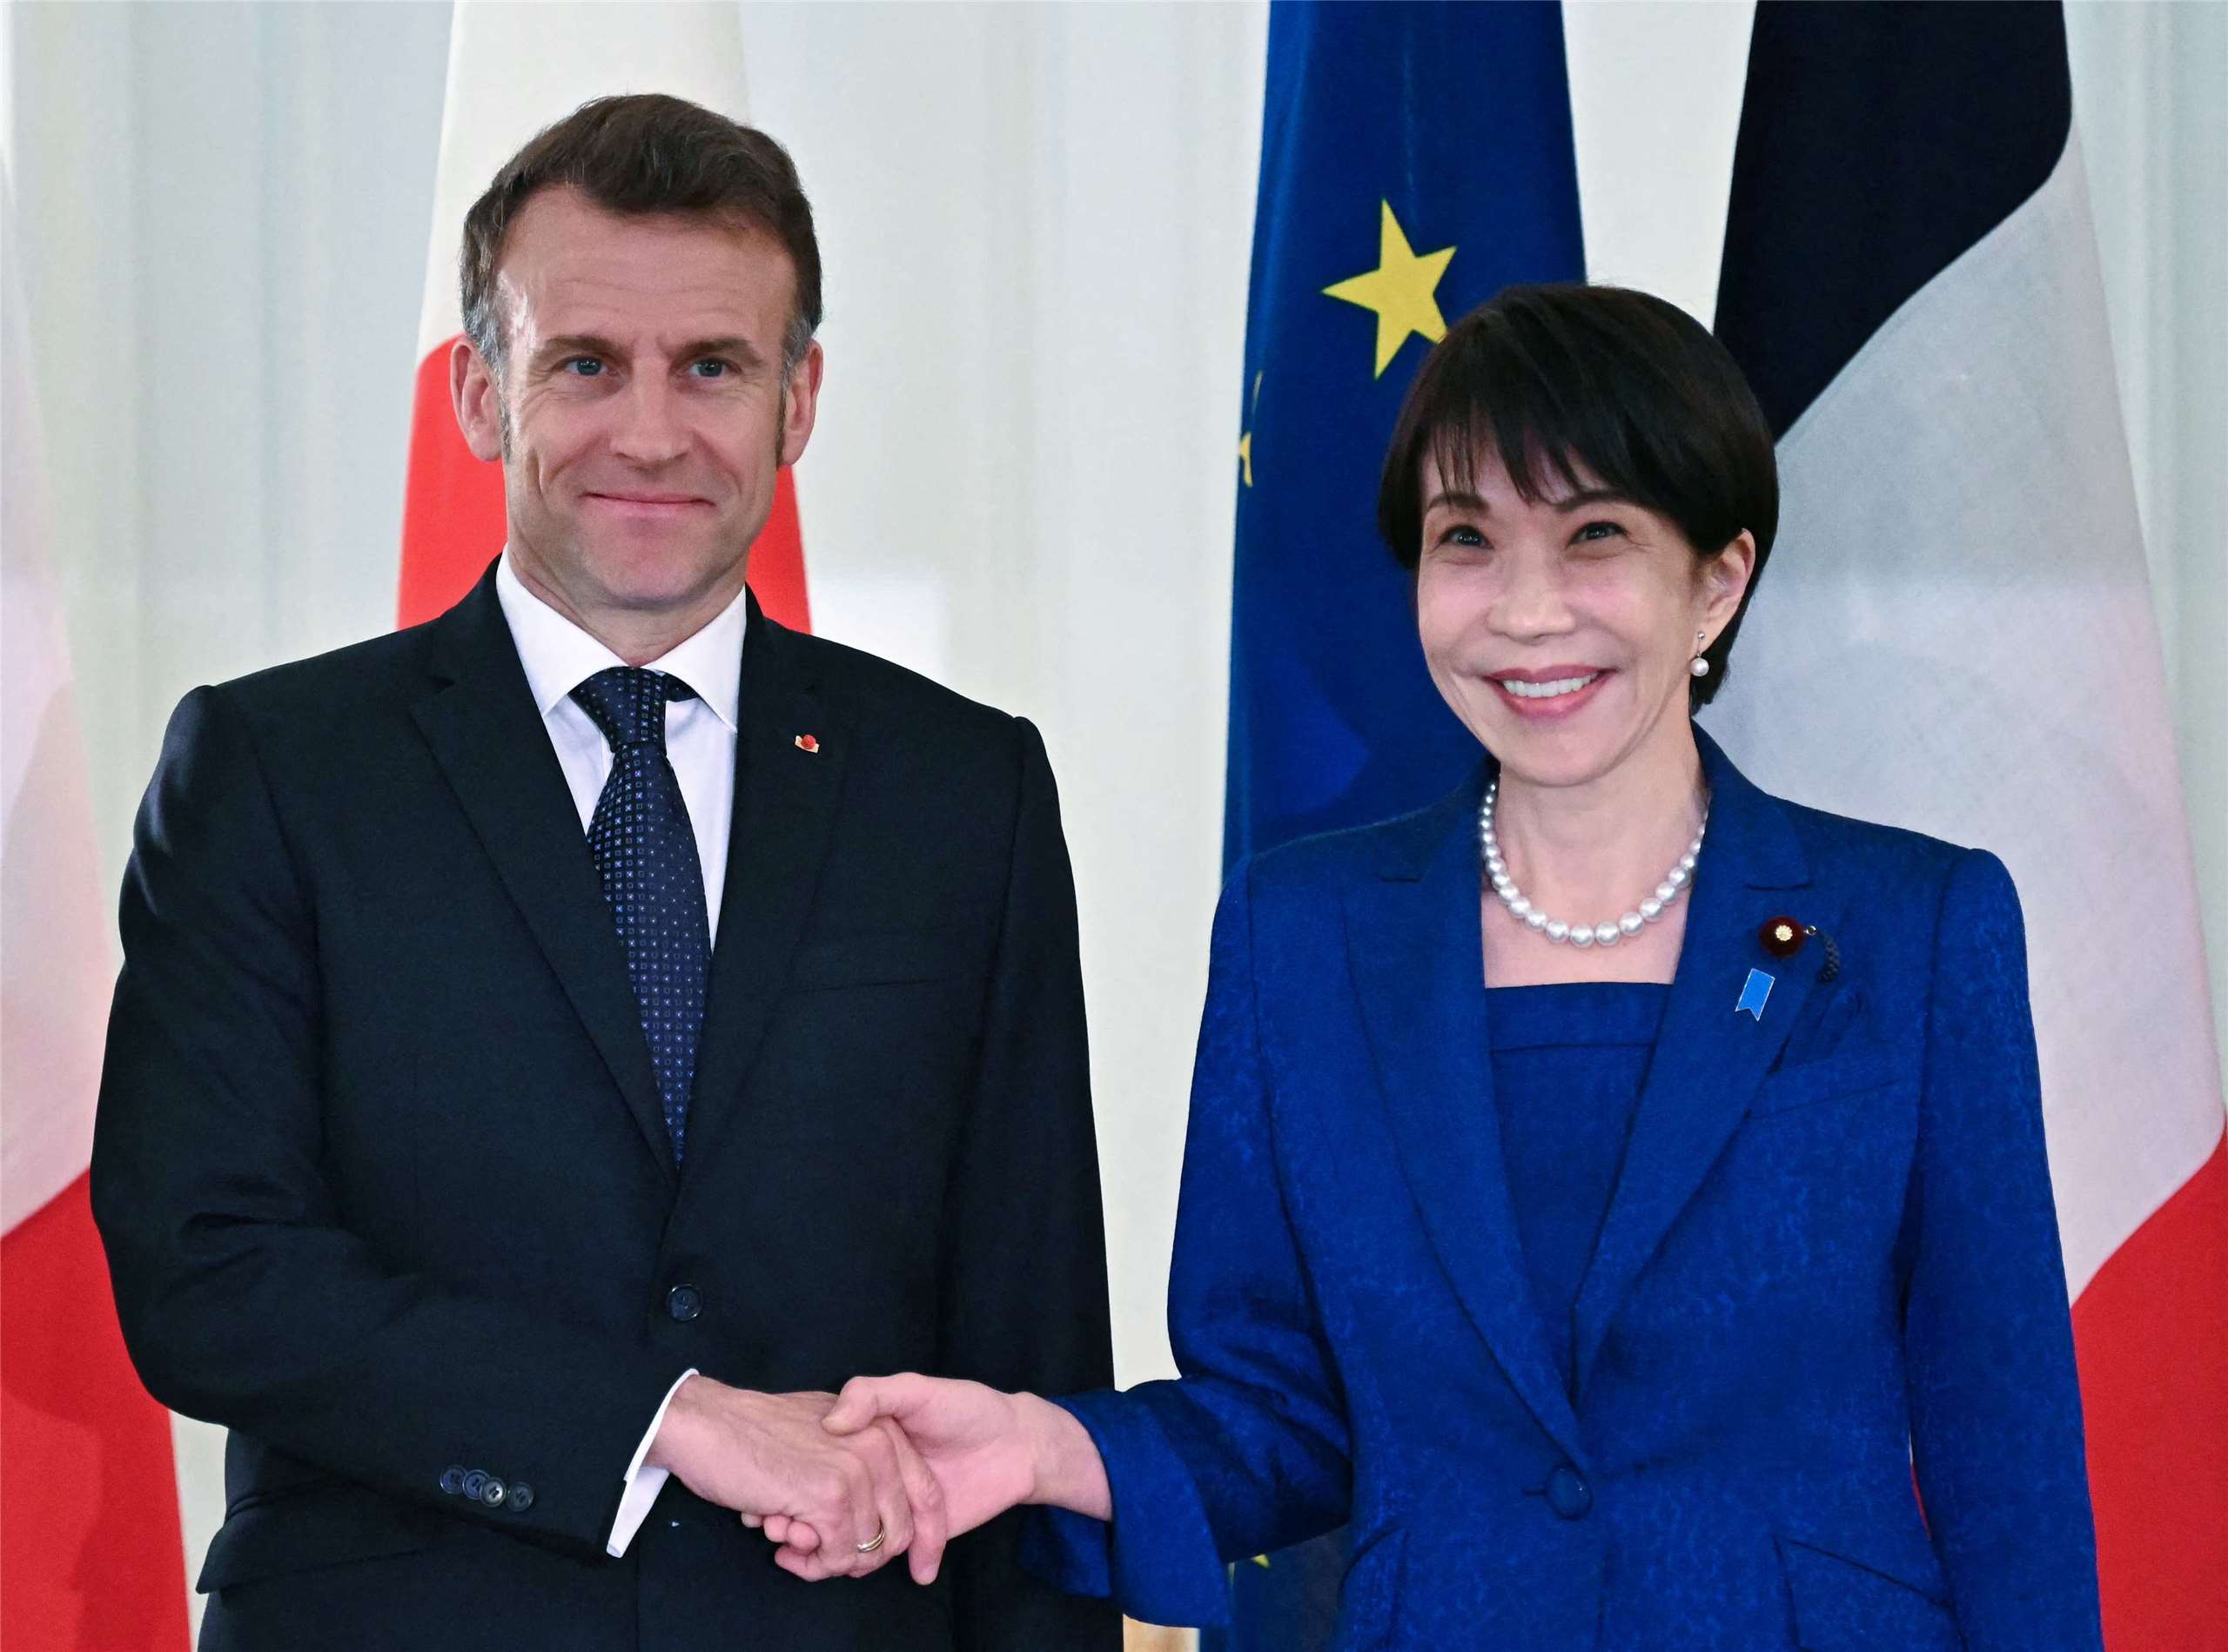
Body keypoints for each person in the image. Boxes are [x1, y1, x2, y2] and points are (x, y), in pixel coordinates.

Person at [788, 285, 2105, 1650]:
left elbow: (2001, 1443)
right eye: (1467, 540)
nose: (1527, 611)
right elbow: (1282, 1415)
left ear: (1717, 577)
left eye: (1595, 535)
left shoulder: (1916, 925)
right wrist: (1045, 1444)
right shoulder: (1299, 934)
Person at [91, 93, 1117, 1652]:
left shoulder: (963, 791)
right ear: (480, 395)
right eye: (585, 364)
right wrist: (668, 1416)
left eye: (713, 365)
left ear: (802, 398)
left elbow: (1030, 1341)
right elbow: (210, 1274)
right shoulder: (275, 771)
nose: (651, 431)